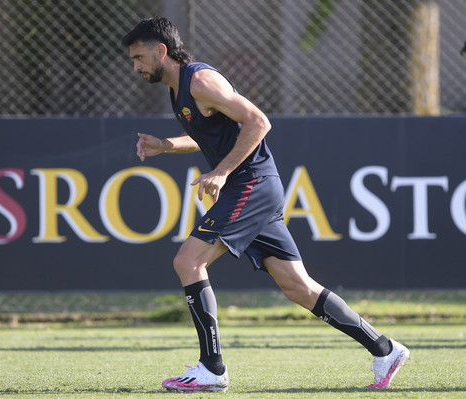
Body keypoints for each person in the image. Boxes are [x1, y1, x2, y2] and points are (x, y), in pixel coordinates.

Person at [122, 17, 409, 392]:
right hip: (253, 187)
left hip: (251, 184)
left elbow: (258, 122)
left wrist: (222, 173)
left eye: (140, 57)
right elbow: (210, 135)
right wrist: (167, 145)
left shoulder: (201, 81)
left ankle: (212, 368)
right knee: (297, 286)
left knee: (188, 261)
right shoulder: (178, 90)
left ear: (162, 51)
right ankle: (385, 349)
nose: (136, 67)